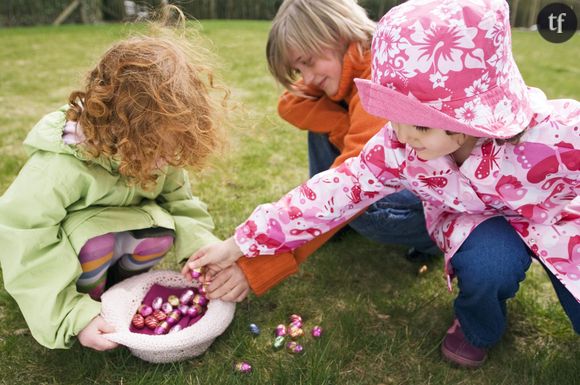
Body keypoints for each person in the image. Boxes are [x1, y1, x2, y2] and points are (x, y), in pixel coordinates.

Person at [185, 0, 580, 368]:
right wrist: (239, 243)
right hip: (472, 220)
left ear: (469, 119)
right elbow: (331, 193)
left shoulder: (556, 135)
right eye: (393, 116)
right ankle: (477, 328)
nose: (403, 135)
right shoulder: (398, 145)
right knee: (487, 267)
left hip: (558, 220)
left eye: (420, 123)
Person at [0, 8, 226, 351]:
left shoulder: (156, 150)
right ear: (119, 130)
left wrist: (197, 252)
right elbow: (24, 236)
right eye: (156, 149)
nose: (164, 161)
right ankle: (81, 295)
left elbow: (181, 202)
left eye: (171, 149)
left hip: (114, 234)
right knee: (92, 240)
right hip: (70, 246)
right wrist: (73, 316)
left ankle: (111, 284)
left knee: (160, 226)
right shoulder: (61, 167)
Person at [205, 0, 437, 303]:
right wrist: (342, 125)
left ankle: (437, 241)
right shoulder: (348, 62)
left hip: (438, 196)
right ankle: (330, 225)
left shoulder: (379, 76)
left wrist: (257, 266)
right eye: (298, 69)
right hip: (376, 176)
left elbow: (353, 189)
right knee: (322, 116)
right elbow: (290, 103)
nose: (308, 77)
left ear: (338, 33)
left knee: (366, 211)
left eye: (309, 61)